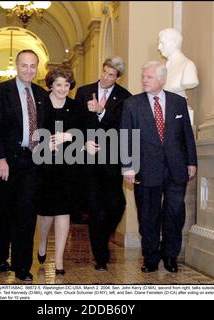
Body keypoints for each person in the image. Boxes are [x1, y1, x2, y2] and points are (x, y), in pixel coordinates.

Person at [121, 61, 197, 273]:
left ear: (162, 79)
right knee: (148, 215)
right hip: (145, 168)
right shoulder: (132, 104)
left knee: (174, 213)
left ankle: (170, 256)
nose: (144, 80)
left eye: (150, 77)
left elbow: (186, 135)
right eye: (144, 76)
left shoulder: (178, 102)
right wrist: (128, 165)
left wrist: (191, 161)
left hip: (176, 167)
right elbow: (126, 136)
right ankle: (151, 258)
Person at [0, 49, 48, 282]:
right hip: (6, 162)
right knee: (3, 214)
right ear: (17, 67)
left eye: (32, 66)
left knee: (27, 215)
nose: (28, 70)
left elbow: (46, 127)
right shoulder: (1, 91)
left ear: (37, 67)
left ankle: (22, 266)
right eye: (24, 65)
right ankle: (0, 257)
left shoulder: (41, 94)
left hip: (31, 162)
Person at [75, 56, 132, 271]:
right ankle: (100, 255)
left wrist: (102, 111)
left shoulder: (125, 97)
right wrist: (82, 143)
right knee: (94, 207)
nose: (106, 78)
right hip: (88, 160)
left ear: (118, 77)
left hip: (111, 161)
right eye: (104, 72)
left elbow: (123, 128)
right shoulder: (83, 91)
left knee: (117, 205)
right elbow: (76, 124)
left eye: (111, 75)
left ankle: (102, 237)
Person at [37, 67, 81, 275]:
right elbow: (32, 132)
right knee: (46, 214)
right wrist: (46, 144)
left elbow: (86, 133)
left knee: (64, 211)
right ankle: (43, 242)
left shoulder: (75, 107)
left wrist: (69, 136)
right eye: (58, 84)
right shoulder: (40, 104)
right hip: (43, 165)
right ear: (50, 85)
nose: (63, 89)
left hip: (67, 166)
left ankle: (59, 259)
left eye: (66, 85)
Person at [158, 28, 199, 99]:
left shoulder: (187, 65)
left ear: (174, 43)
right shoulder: (167, 66)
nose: (159, 47)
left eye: (162, 43)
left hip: (178, 106)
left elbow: (190, 81)